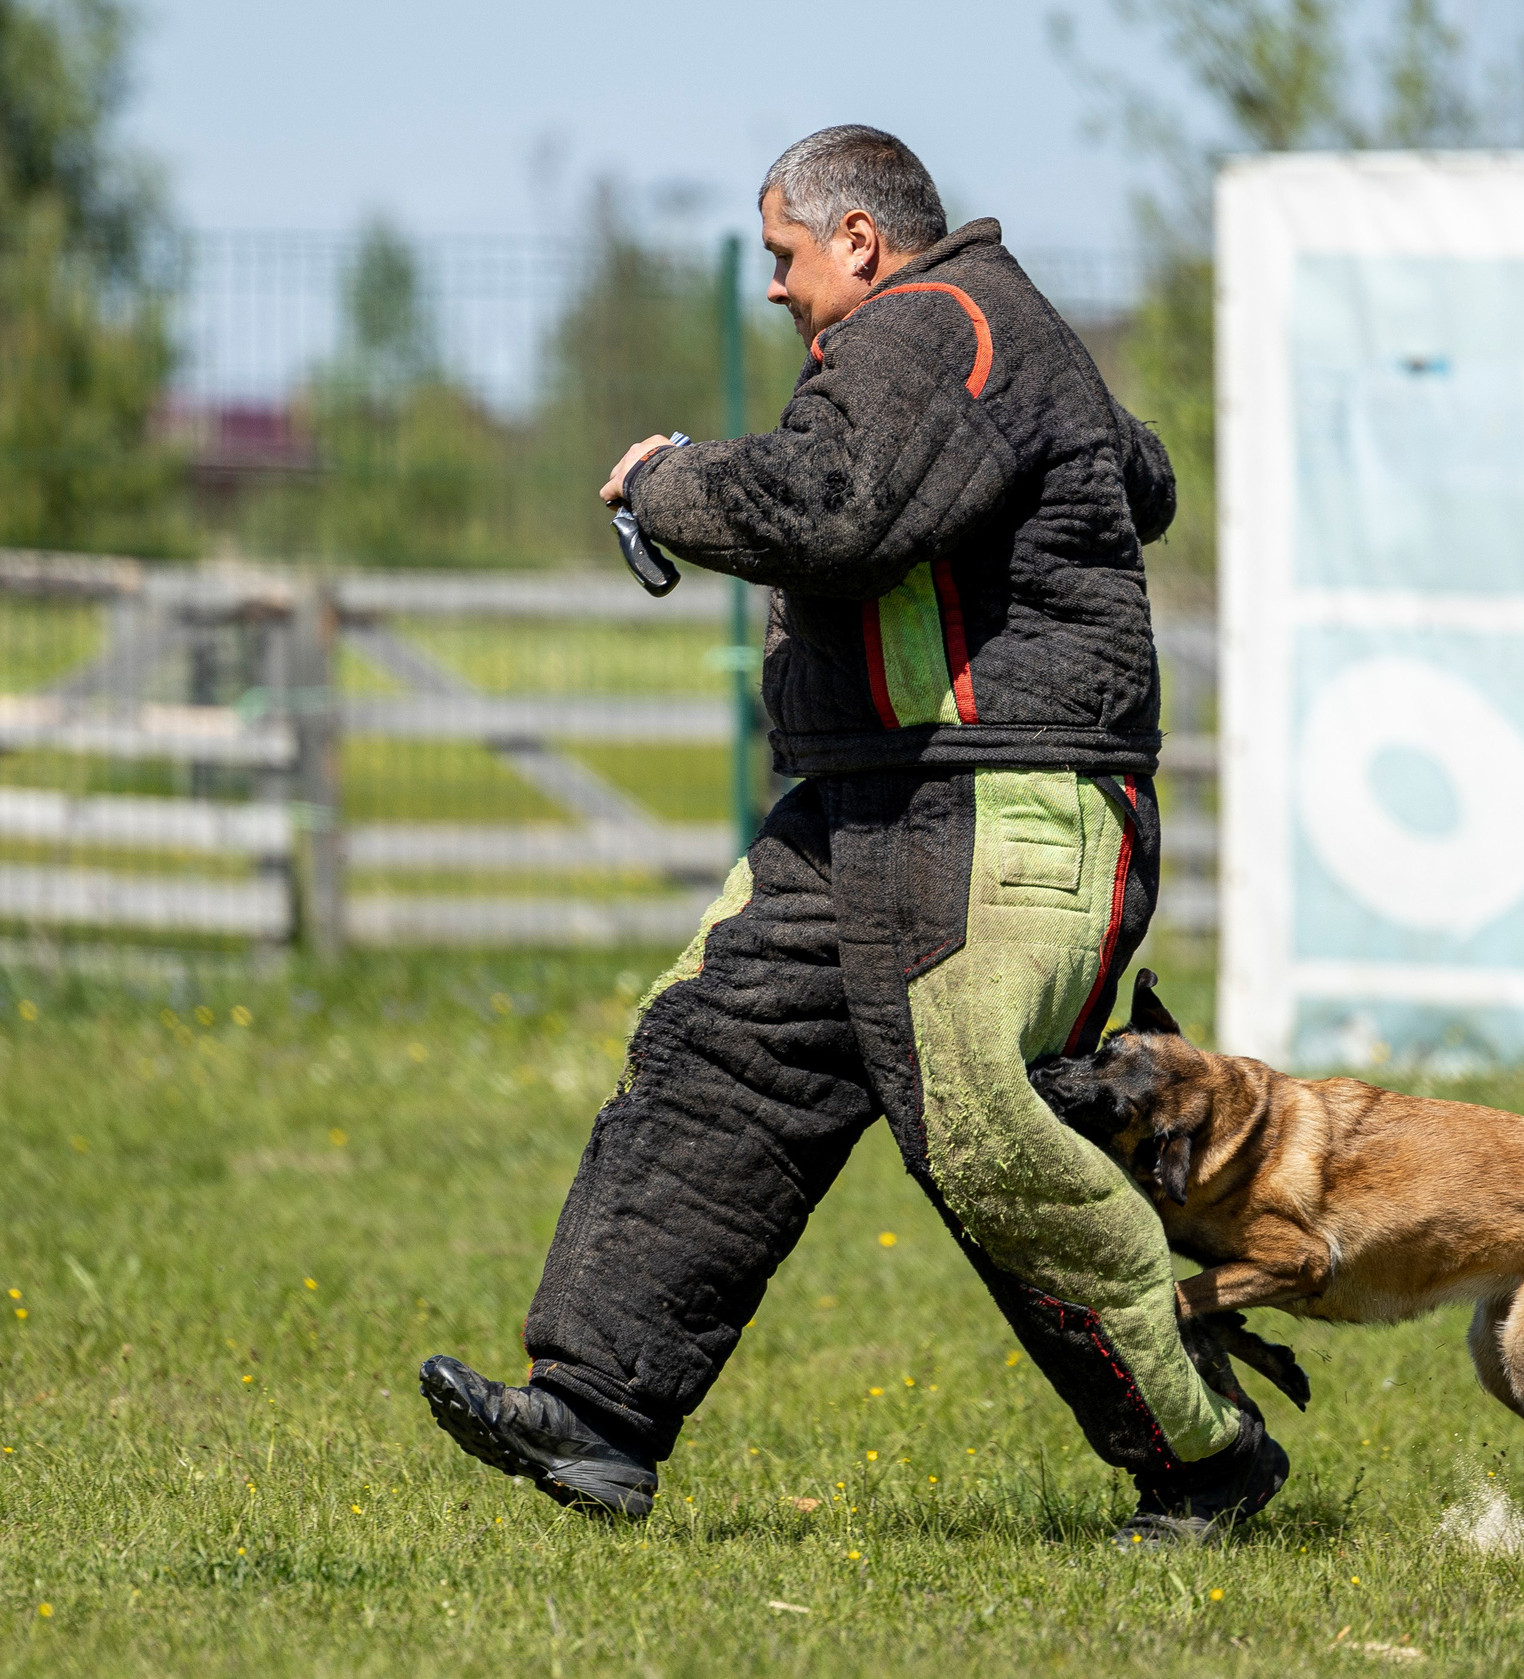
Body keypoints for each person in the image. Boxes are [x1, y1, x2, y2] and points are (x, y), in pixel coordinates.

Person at [419, 124, 1287, 1545]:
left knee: (982, 1120)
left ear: (862, 242)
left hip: (1005, 798)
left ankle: (1205, 1459)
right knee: (717, 1053)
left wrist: (663, 484)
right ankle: (595, 1411)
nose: (773, 288)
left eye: (782, 256)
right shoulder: (968, 334)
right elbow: (1134, 468)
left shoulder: (932, 320)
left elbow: (828, 507)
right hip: (867, 806)